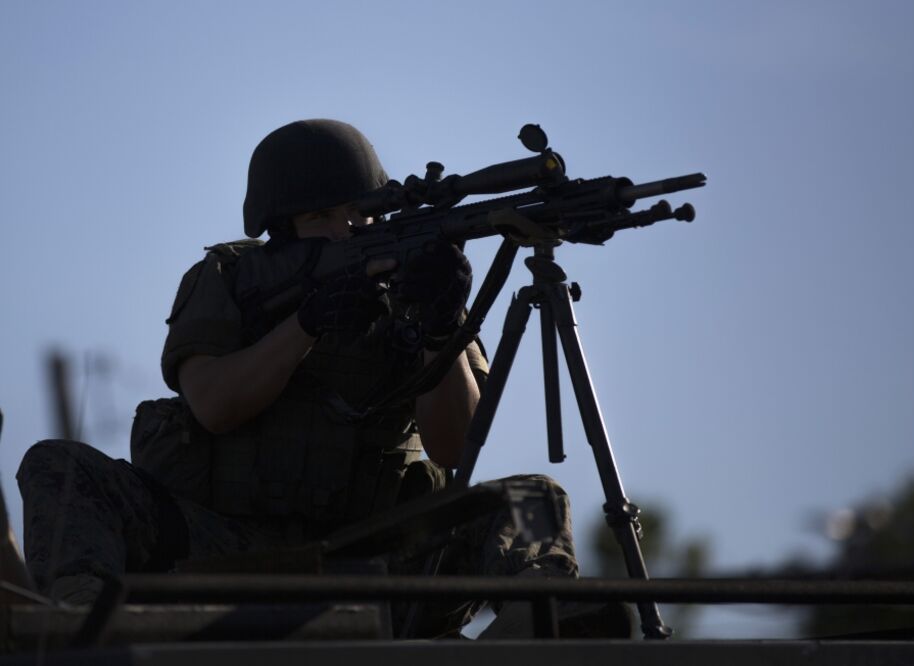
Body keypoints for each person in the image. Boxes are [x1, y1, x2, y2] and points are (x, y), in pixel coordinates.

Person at [14, 119, 629, 638]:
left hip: (379, 557)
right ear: (279, 229)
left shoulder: (420, 284)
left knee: (531, 499)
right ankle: (80, 624)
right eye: (320, 216)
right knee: (60, 465)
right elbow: (211, 404)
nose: (347, 231)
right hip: (221, 546)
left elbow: (456, 443)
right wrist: (306, 323)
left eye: (360, 215)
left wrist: (439, 323)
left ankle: (542, 624)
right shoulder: (230, 279)